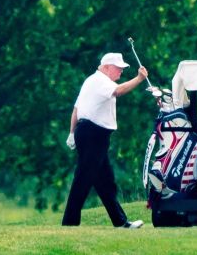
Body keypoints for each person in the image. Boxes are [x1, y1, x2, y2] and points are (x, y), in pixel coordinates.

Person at [63, 52, 147, 228]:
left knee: (105, 182)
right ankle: (69, 224)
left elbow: (76, 109)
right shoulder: (102, 81)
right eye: (119, 68)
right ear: (107, 67)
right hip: (93, 134)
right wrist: (139, 79)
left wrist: (72, 132)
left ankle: (121, 222)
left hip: (90, 134)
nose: (121, 72)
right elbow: (119, 91)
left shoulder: (91, 81)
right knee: (83, 178)